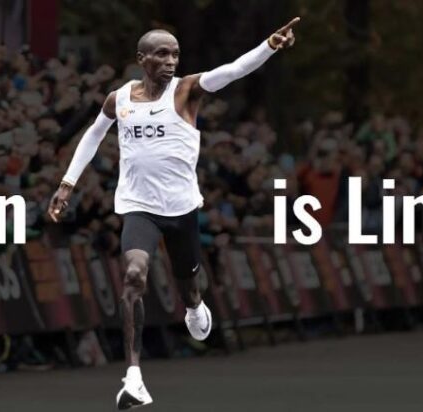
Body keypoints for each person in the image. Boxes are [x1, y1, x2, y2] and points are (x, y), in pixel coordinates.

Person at [47, 17, 300, 409]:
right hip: (139, 207)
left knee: (189, 286)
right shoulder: (119, 98)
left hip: (181, 209)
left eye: (175, 55)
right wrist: (67, 183)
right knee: (134, 275)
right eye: (162, 54)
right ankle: (134, 378)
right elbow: (94, 133)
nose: (170, 61)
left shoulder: (186, 90)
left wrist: (269, 45)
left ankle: (195, 307)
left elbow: (233, 70)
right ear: (141, 58)